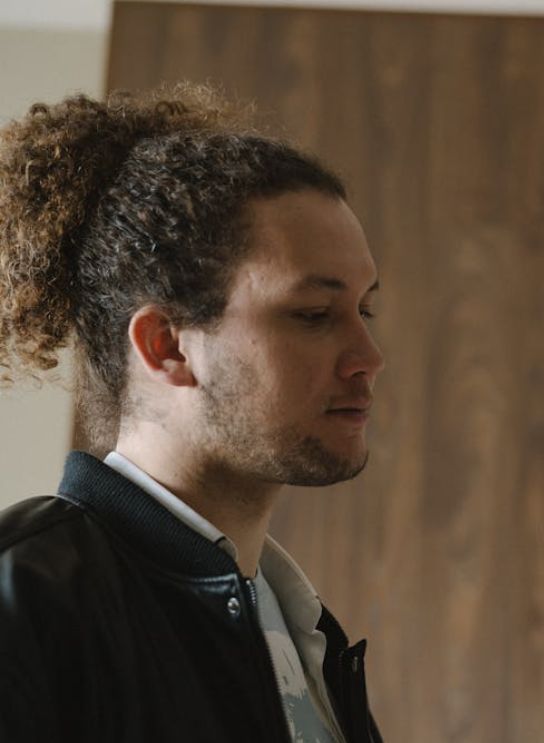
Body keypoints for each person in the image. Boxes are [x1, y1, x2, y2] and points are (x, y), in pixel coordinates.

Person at [0, 86, 384, 741]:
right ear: (167, 346)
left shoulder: (302, 625)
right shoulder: (25, 599)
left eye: (364, 309)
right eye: (315, 315)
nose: (368, 356)